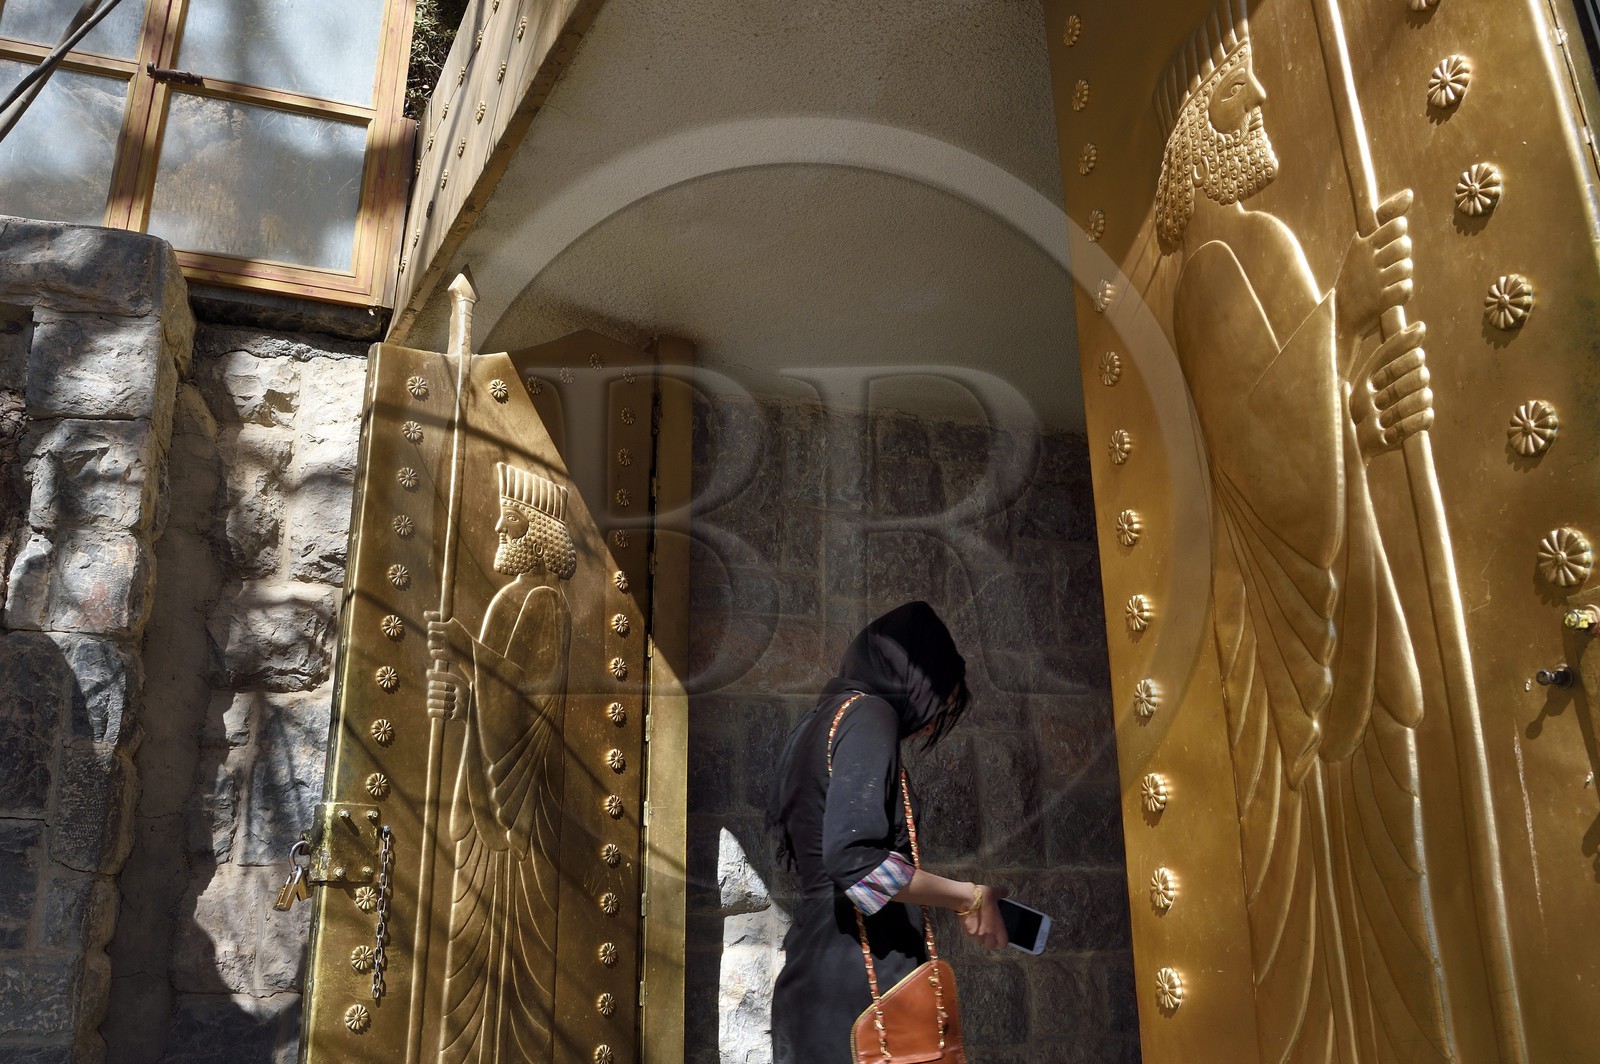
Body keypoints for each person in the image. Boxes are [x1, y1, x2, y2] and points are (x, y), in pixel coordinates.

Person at [768, 601, 1008, 1064]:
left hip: (817, 983)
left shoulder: (818, 724)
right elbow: (854, 862)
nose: (932, 723)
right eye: (939, 702)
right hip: (862, 993)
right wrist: (969, 897)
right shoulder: (869, 716)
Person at [426, 461, 576, 1062]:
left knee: (502, 940)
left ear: (535, 534)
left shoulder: (544, 602)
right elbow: (495, 699)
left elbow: (528, 701)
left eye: (507, 528)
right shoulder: (514, 598)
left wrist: (470, 654)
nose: (496, 538)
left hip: (516, 800)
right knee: (471, 935)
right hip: (486, 783)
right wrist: (460, 693)